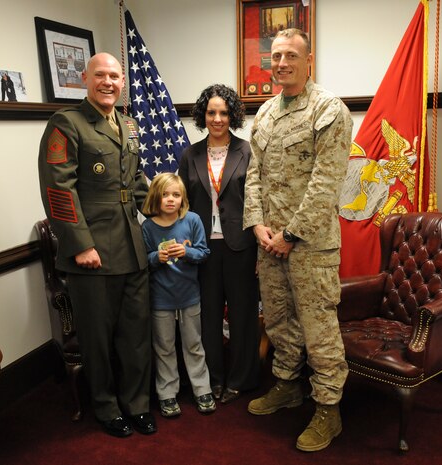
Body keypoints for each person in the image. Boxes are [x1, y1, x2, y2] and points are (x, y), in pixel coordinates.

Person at [243, 28, 352, 452]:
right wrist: (257, 226)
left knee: (319, 328)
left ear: (309, 61)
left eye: (291, 55)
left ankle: (328, 409)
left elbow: (327, 183)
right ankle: (287, 385)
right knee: (278, 320)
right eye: (276, 56)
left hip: (310, 246)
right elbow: (254, 175)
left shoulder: (329, 110)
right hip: (268, 243)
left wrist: (290, 235)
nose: (282, 62)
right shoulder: (266, 113)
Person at [37, 52, 156, 438]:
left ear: (123, 82)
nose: (108, 82)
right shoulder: (67, 123)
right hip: (93, 253)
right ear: (85, 78)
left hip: (132, 246)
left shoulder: (129, 124)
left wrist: (165, 217)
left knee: (136, 336)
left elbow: (136, 182)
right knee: (98, 339)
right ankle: (106, 408)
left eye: (115, 77)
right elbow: (58, 189)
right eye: (100, 75)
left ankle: (137, 404)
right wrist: (80, 245)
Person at [179, 84, 260, 405]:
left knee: (242, 317)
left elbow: (259, 201)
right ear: (203, 115)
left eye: (224, 113)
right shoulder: (190, 155)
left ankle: (241, 379)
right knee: (207, 319)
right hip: (202, 250)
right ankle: (211, 380)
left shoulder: (248, 151)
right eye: (211, 112)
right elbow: (181, 203)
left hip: (241, 247)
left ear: (233, 115)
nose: (217, 118)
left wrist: (260, 249)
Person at [141, 173, 216, 418]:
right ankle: (167, 393)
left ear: (182, 197)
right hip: (161, 299)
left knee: (193, 344)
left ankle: (201, 389)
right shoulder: (148, 227)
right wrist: (156, 258)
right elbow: (144, 261)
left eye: (175, 194)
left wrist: (186, 251)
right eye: (164, 194)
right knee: (164, 347)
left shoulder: (192, 220)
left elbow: (204, 253)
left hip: (189, 296)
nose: (170, 199)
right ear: (155, 197)